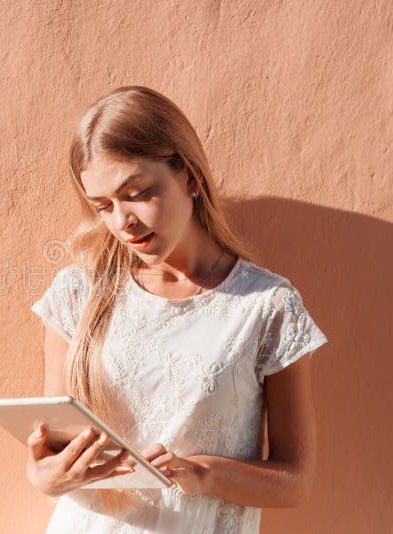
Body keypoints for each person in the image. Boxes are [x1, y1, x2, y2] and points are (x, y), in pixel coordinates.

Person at [25, 86, 328, 533]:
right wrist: (47, 476)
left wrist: (204, 474)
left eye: (138, 192)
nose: (121, 222)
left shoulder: (266, 307)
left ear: (189, 176)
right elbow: (51, 454)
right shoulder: (78, 294)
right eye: (103, 206)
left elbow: (295, 481)